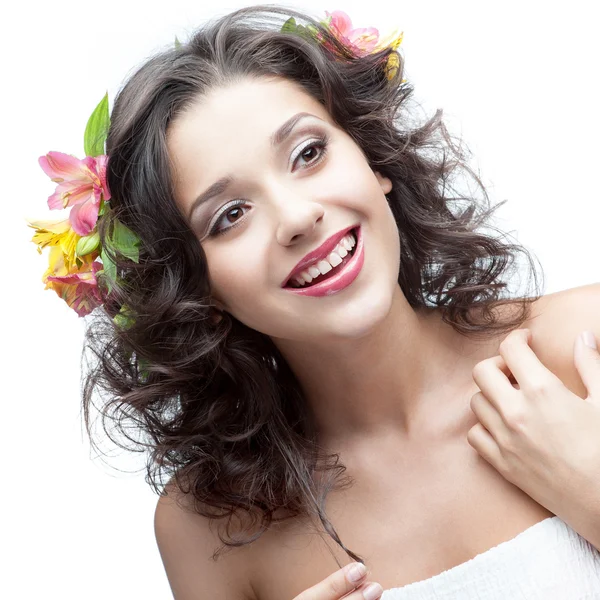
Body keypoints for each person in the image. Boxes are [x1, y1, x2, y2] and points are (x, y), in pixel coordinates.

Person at [28, 4, 600, 599]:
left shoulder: (582, 346)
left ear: (371, 156)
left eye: (308, 153)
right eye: (230, 216)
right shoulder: (211, 531)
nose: (298, 217)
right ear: (195, 288)